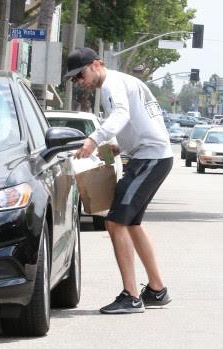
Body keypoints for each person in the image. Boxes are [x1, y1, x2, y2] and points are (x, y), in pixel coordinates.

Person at [66, 47, 173, 314]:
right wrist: (117, 145)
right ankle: (157, 290)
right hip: (151, 156)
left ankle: (132, 297)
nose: (80, 81)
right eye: (74, 79)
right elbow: (134, 120)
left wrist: (94, 139)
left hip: (150, 158)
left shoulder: (112, 84)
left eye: (80, 74)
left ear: (96, 64)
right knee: (132, 223)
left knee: (114, 222)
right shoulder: (119, 83)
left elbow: (122, 115)